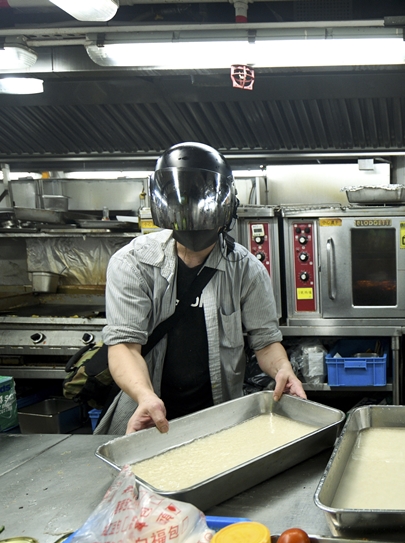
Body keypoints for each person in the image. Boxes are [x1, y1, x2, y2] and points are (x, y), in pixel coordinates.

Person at [94, 142, 305, 435]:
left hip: (220, 418)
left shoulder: (246, 269)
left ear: (226, 209)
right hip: (149, 418)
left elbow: (266, 341)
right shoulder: (132, 264)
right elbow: (125, 346)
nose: (195, 224)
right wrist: (145, 397)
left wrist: (284, 369)